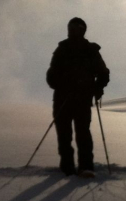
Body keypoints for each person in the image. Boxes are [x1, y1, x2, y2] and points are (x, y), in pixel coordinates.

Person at [46, 17, 110, 177]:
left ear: (82, 30)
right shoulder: (62, 49)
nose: (71, 30)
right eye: (70, 27)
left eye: (75, 27)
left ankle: (85, 167)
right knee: (64, 134)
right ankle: (67, 167)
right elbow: (51, 74)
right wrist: (61, 82)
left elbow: (103, 73)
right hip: (63, 97)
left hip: (81, 98)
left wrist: (97, 88)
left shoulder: (90, 50)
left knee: (82, 133)